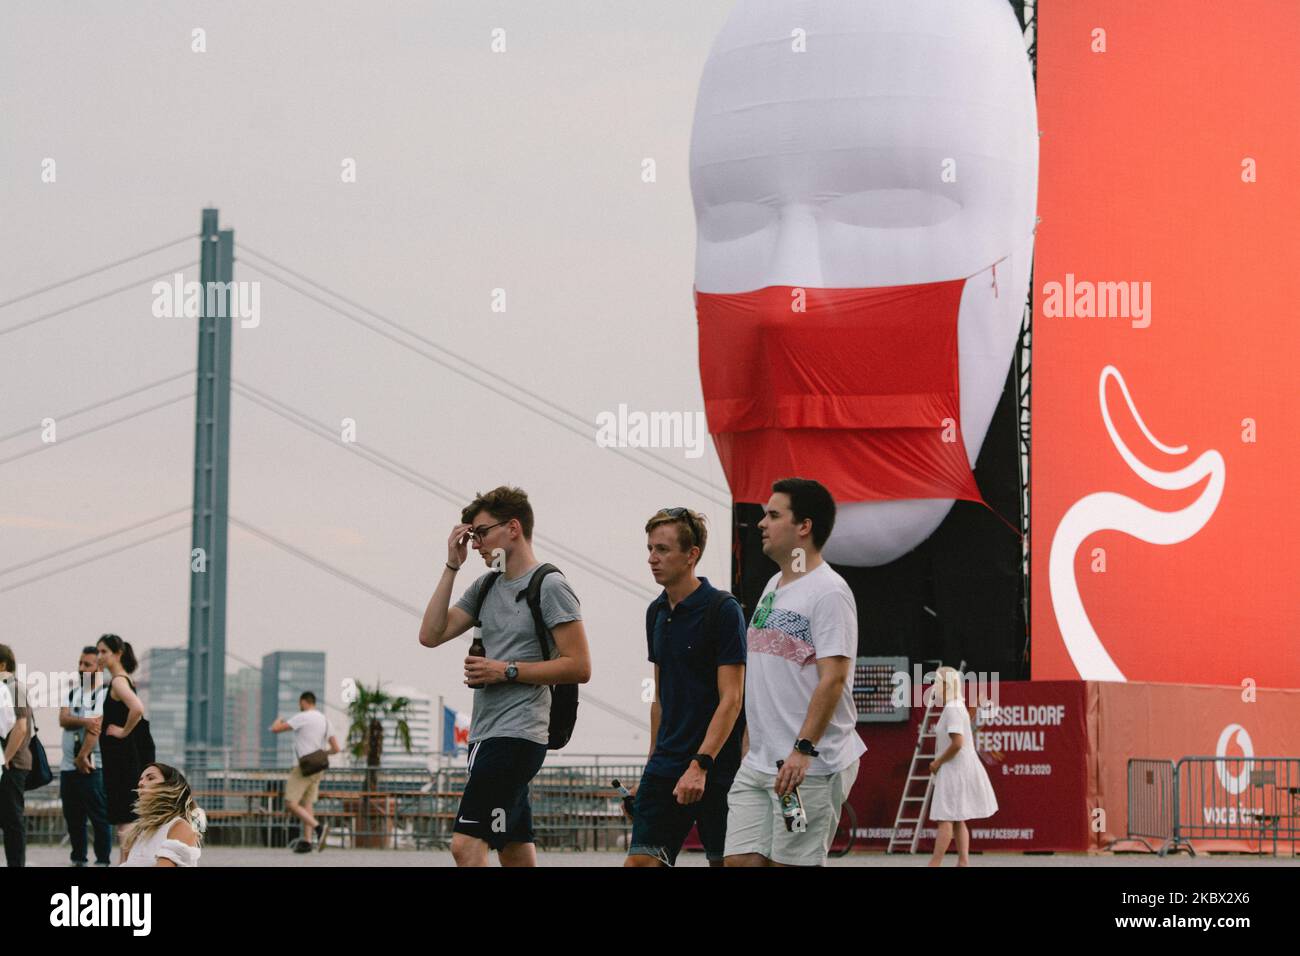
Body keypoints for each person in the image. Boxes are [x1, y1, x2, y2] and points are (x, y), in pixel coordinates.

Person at [417, 485, 592, 867]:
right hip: (487, 732)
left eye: (481, 533)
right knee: (513, 848)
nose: (476, 542)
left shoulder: (549, 585)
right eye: (472, 535)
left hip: (517, 735)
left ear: (513, 528)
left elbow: (580, 666)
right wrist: (452, 564)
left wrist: (506, 670)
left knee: (465, 845)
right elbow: (431, 635)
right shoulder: (487, 585)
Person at [724, 478, 866, 867]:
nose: (761, 524)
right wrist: (751, 742)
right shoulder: (774, 585)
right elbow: (766, 674)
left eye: (773, 515)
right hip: (759, 764)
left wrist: (803, 751)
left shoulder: (830, 592)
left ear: (804, 526)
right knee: (740, 861)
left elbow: (834, 678)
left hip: (807, 770)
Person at [626, 508, 745, 868]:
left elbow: (732, 698)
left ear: (691, 554)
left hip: (717, 767)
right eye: (649, 548)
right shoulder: (656, 612)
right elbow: (659, 699)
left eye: (662, 549)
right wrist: (649, 770)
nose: (652, 558)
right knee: (642, 864)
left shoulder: (723, 609)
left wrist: (701, 764)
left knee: (725, 864)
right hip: (666, 765)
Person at [928, 665, 998, 867]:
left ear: (945, 685)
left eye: (936, 683)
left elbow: (957, 743)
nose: (933, 688)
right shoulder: (956, 707)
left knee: (945, 818)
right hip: (958, 768)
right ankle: (963, 862)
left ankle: (935, 863)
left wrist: (937, 762)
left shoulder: (952, 708)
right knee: (958, 818)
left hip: (953, 769)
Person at [58, 646, 113, 866]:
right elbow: (63, 719)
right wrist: (84, 721)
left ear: (98, 667)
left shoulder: (103, 693)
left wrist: (82, 757)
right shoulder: (72, 693)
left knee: (98, 817)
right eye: (80, 663)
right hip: (68, 768)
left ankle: (102, 861)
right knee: (73, 818)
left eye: (87, 664)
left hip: (92, 767)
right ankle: (78, 859)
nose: (81, 668)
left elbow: (95, 729)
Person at [270, 691, 340, 853]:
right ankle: (308, 842)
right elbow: (336, 749)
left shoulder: (303, 716)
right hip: (319, 768)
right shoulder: (326, 720)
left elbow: (276, 729)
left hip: (305, 767)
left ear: (303, 702)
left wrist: (278, 720)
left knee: (290, 802)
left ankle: (318, 828)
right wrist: (322, 754)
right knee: (307, 803)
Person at [96, 634, 154, 825]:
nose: (99, 656)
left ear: (118, 653)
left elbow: (137, 708)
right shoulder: (125, 679)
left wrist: (123, 731)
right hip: (125, 754)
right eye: (98, 652)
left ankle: (126, 857)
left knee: (124, 814)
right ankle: (126, 857)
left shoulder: (118, 681)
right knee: (128, 813)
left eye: (104, 651)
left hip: (120, 756)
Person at [119, 763, 204, 867]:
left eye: (150, 778)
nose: (141, 783)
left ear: (170, 786)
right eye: (140, 779)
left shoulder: (179, 826)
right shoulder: (136, 832)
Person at [0, 643, 32, 867]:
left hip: (13, 764)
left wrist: (6, 759)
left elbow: (21, 726)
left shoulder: (14, 688)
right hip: (9, 762)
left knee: (12, 821)